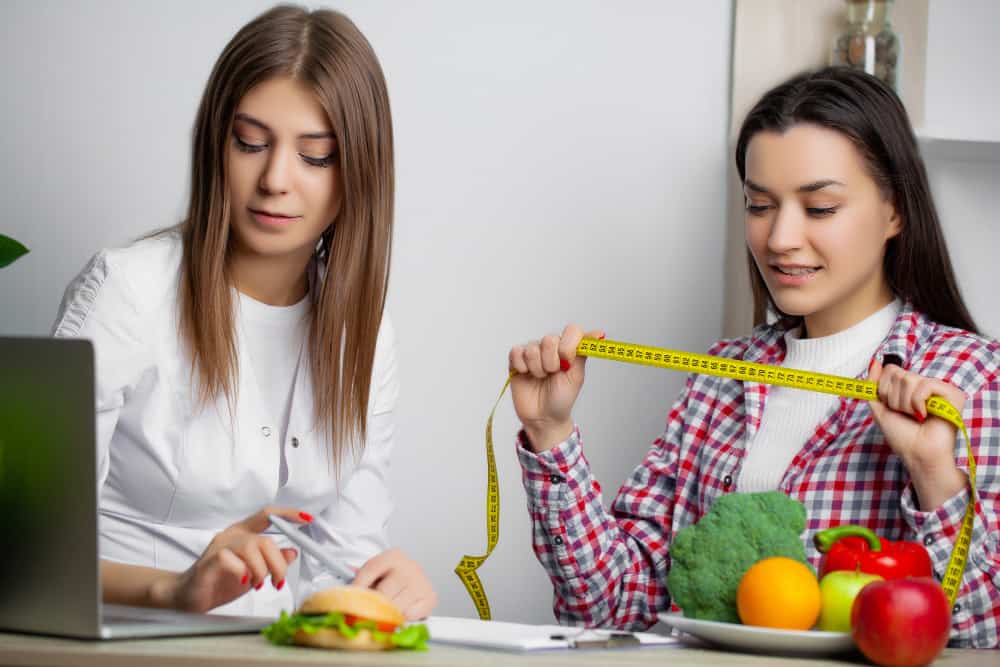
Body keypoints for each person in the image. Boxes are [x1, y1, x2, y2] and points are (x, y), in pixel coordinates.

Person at [507, 67, 998, 648]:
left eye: (819, 208)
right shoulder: (722, 376)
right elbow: (612, 606)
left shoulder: (969, 377)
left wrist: (934, 474)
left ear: (895, 211)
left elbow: (979, 633)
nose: (781, 237)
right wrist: (551, 434)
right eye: (760, 205)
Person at [52, 5, 436, 620]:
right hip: (122, 648)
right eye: (251, 143)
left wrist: (384, 590)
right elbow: (24, 557)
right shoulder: (128, 291)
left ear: (358, 172)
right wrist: (173, 590)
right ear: (216, 144)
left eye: (316, 156)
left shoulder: (363, 335)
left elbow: (345, 559)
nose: (275, 179)